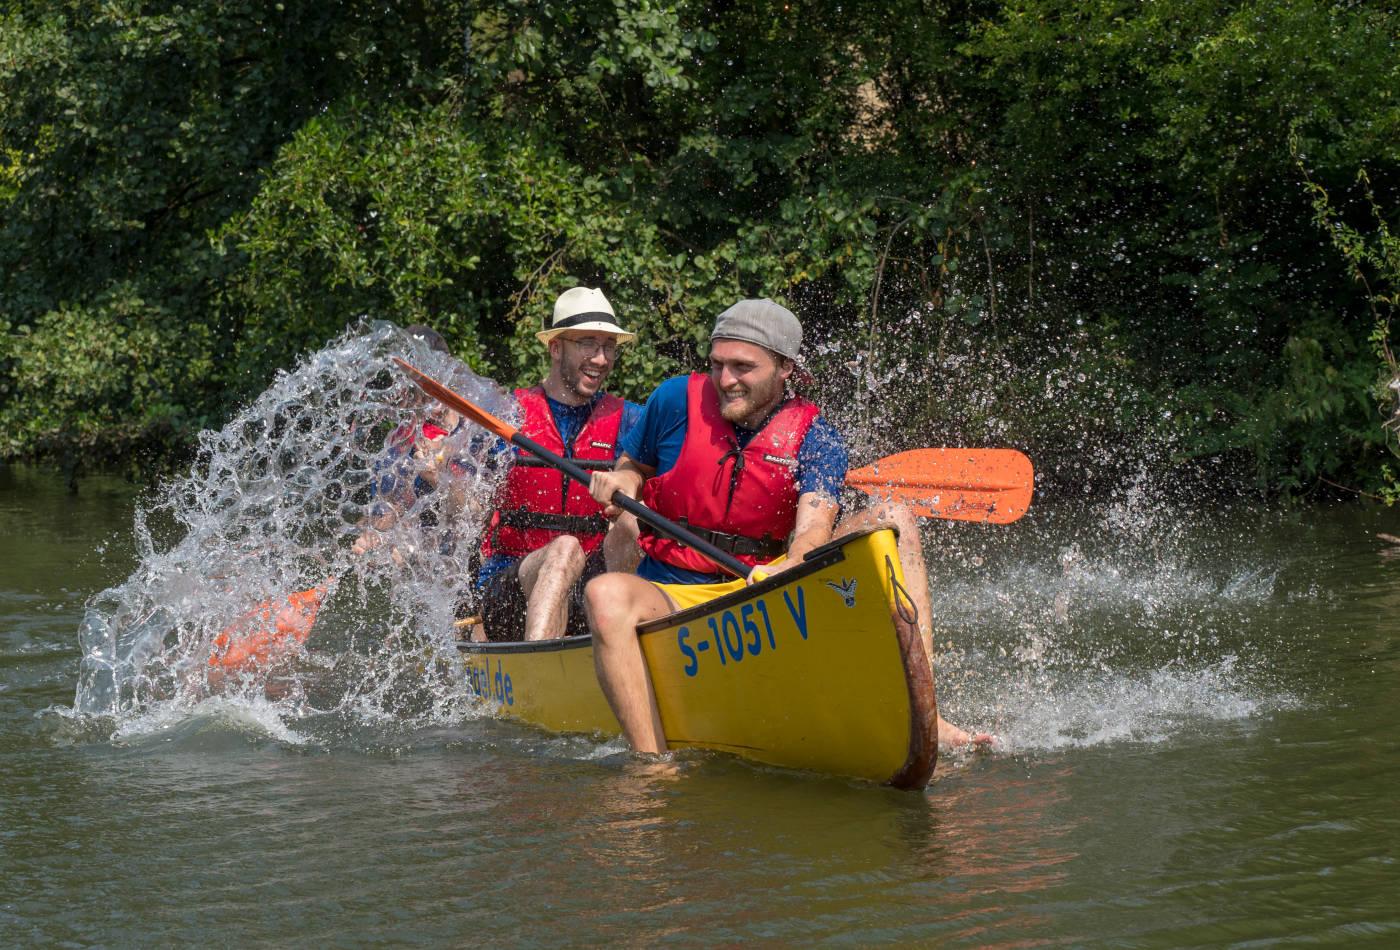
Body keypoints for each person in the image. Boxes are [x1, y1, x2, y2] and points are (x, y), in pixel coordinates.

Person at [584, 298, 983, 754]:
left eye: (742, 367)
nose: (725, 380)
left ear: (785, 368)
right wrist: (621, 479)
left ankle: (927, 707)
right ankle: (651, 762)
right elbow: (635, 466)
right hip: (671, 591)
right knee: (603, 593)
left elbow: (813, 531)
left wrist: (789, 564)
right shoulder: (673, 399)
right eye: (717, 365)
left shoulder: (817, 437)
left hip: (760, 591)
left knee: (894, 514)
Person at [473, 287, 643, 642]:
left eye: (609, 346)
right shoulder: (507, 415)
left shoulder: (629, 420)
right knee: (564, 548)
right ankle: (540, 667)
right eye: (587, 344)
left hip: (590, 587)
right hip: (511, 586)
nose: (601, 359)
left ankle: (629, 635)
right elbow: (467, 510)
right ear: (555, 347)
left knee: (635, 515)